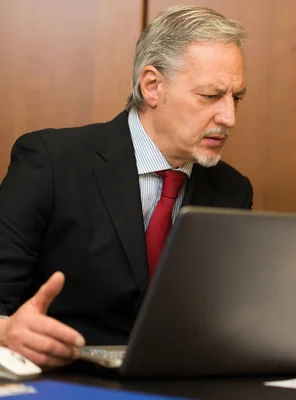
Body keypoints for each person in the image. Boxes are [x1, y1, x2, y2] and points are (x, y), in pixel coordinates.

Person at [0, 5, 252, 369]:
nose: (229, 117)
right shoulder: (51, 162)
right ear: (152, 86)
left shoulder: (233, 189)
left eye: (237, 97)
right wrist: (7, 333)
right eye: (211, 96)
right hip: (62, 380)